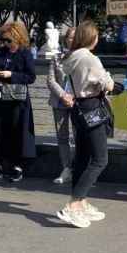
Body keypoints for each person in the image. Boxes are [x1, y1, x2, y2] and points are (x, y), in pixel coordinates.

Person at [56, 21, 115, 228]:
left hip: (78, 109)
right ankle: (73, 204)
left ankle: (81, 202)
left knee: (82, 157)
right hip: (91, 108)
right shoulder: (90, 58)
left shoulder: (71, 57)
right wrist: (114, 83)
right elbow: (106, 84)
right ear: (91, 38)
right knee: (100, 159)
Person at [0, 22, 37, 182]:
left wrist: (10, 74)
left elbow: (31, 77)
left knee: (17, 131)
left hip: (17, 99)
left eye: (8, 40)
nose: (5, 43)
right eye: (3, 40)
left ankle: (17, 165)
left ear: (17, 38)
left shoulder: (25, 53)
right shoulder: (0, 52)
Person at [47, 26, 77, 185]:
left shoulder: (84, 56)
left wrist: (73, 96)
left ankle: (79, 168)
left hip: (78, 101)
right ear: (66, 39)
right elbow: (50, 80)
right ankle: (66, 168)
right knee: (62, 136)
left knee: (80, 136)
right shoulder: (57, 56)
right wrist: (63, 95)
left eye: (75, 37)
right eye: (70, 37)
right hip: (60, 101)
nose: (72, 40)